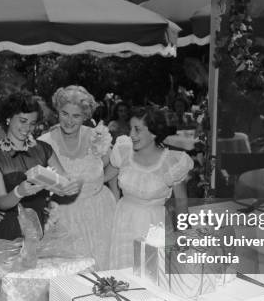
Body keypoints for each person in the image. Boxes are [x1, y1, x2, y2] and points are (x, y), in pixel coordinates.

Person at [38, 86, 116, 270]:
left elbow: (115, 165)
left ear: (85, 116)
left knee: (104, 273)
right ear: (57, 111)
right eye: (64, 114)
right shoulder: (44, 142)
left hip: (101, 214)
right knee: (70, 278)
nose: (69, 121)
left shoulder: (97, 137)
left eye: (76, 116)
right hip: (64, 218)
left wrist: (100, 185)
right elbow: (38, 183)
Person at [106, 107, 193, 269]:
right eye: (131, 128)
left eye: (137, 129)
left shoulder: (172, 162)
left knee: (151, 275)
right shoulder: (123, 151)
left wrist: (183, 235)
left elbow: (181, 203)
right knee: (123, 274)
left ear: (153, 132)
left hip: (154, 225)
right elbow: (103, 177)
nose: (131, 134)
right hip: (124, 221)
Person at [0, 91, 81, 240]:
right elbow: (1, 202)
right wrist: (19, 191)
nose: (27, 128)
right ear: (8, 118)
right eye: (22, 121)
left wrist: (74, 185)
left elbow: (66, 182)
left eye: (32, 123)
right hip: (10, 230)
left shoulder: (44, 149)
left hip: (41, 227)